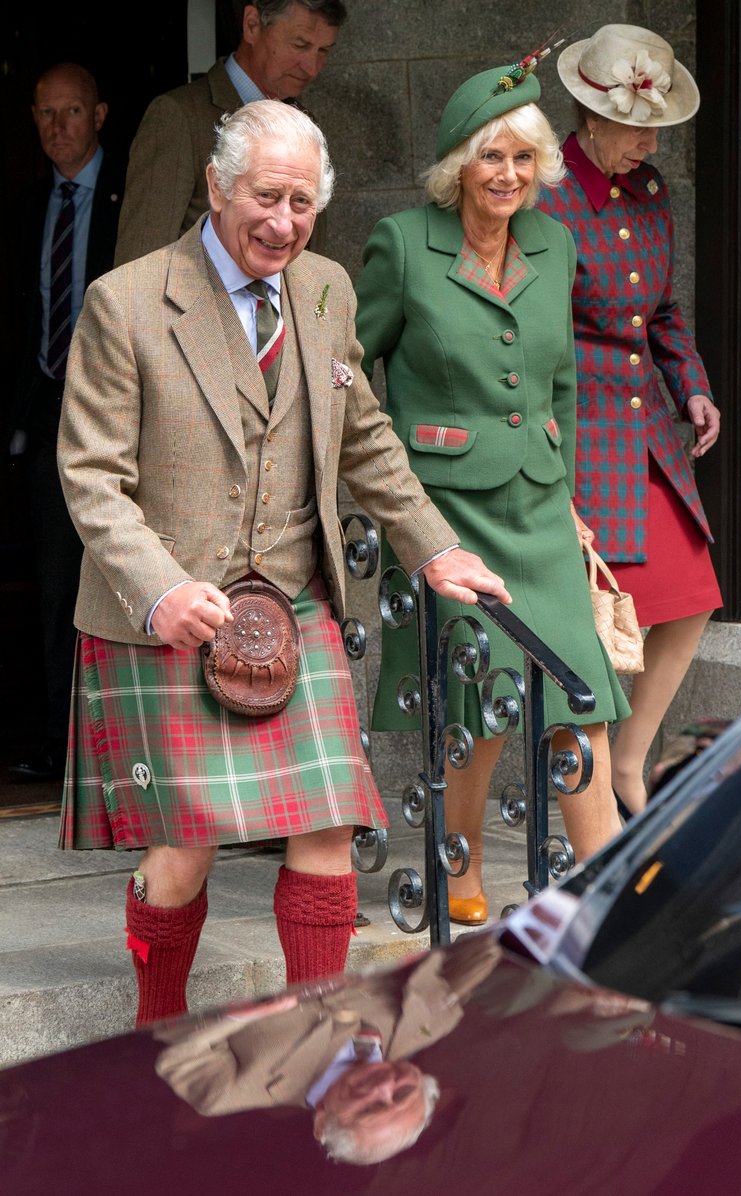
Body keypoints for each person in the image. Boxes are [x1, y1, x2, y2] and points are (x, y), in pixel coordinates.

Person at [56, 98, 510, 1027]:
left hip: (290, 609)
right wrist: (162, 592)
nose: (283, 222)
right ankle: (159, 1032)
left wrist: (438, 549)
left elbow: (368, 440)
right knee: (183, 851)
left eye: (303, 203)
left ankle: (325, 1040)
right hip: (166, 612)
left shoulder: (326, 288)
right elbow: (92, 478)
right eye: (267, 196)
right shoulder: (128, 301)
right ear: (218, 186)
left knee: (329, 822)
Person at [354, 62, 630, 926]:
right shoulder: (403, 244)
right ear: (456, 168)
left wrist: (572, 495)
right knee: (483, 696)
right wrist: (387, 483)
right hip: (448, 513)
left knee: (582, 701)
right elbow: (351, 369)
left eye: (523, 157)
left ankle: (609, 894)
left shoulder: (557, 245)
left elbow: (561, 390)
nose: (509, 175)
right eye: (490, 159)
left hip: (541, 513)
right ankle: (455, 862)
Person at [537, 24, 722, 817]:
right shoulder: (544, 195)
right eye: (640, 125)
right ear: (590, 116)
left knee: (693, 593)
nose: (651, 140)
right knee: (600, 618)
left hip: (646, 428)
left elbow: (664, 311)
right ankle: (587, 776)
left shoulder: (651, 192)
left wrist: (695, 389)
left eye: (658, 126)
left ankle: (627, 763)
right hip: (580, 432)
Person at [8, 62, 124, 782]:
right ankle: (62, 740)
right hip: (50, 406)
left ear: (100, 115)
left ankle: (119, 746)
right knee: (56, 581)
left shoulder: (130, 195)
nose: (57, 127)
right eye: (45, 114)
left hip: (117, 404)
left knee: (120, 577)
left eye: (72, 112)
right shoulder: (26, 209)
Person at [154, 933, 501, 1164]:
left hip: (223, 944)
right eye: (403, 1093)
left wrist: (244, 1014)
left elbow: (175, 1041)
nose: (384, 1087)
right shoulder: (432, 1024)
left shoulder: (232, 1092)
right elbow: (484, 947)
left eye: (370, 1109)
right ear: (419, 1076)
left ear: (323, 1125)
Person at [113, 0, 344, 266]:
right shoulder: (179, 116)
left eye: (324, 50)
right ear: (252, 25)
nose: (312, 67)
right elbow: (139, 266)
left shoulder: (305, 123)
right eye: (300, 45)